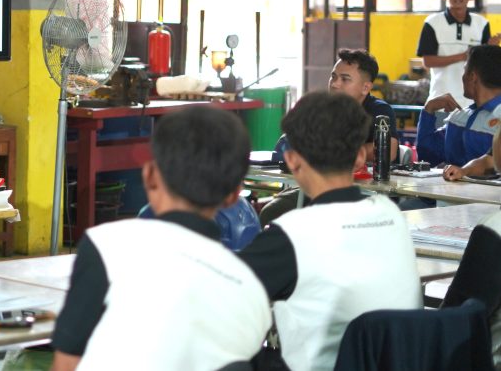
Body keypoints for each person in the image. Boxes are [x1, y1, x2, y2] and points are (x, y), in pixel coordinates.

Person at [51, 106, 271, 370]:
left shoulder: (108, 247)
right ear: (235, 195)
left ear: (150, 176)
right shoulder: (251, 289)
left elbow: (67, 364)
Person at [239, 91, 422, 371]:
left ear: (292, 161)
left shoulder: (294, 234)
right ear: (361, 157)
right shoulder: (392, 215)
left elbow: (219, 296)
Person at [262, 49, 398, 224]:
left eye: (344, 79)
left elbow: (390, 151)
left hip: (365, 192)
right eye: (333, 77)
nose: (335, 84)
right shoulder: (324, 110)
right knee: (273, 210)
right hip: (320, 185)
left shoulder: (380, 111)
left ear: (366, 87)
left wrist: (335, 153)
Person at [416, 44, 501, 179]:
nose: (462, 77)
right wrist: (429, 109)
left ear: (472, 76)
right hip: (449, 198)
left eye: (465, 70)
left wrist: (464, 171)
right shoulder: (459, 117)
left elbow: (492, 163)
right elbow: (427, 157)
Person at [417, 0, 498, 109]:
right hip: (440, 102)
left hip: (474, 104)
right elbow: (427, 61)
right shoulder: (432, 23)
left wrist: (490, 50)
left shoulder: (482, 23)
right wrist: (464, 56)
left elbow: (485, 67)